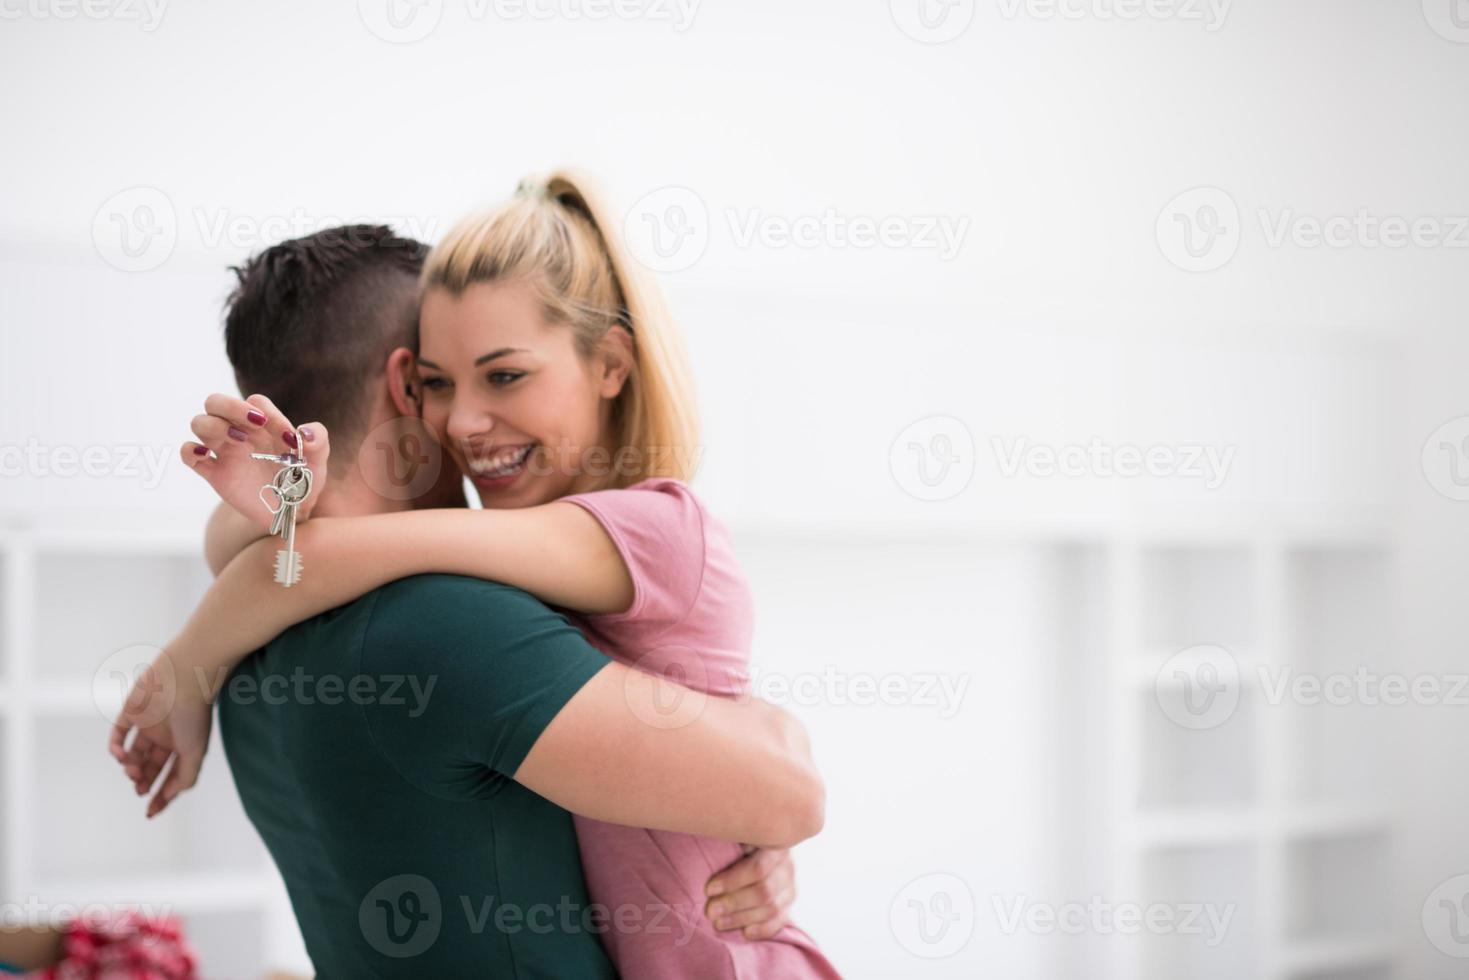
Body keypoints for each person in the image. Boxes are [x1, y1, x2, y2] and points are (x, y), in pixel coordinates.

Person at [110, 211, 829, 976]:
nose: (464, 421)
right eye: (440, 384)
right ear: (406, 385)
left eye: (504, 374)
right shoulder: (447, 622)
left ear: (612, 365)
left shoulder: (255, 655)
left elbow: (290, 560)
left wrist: (190, 662)